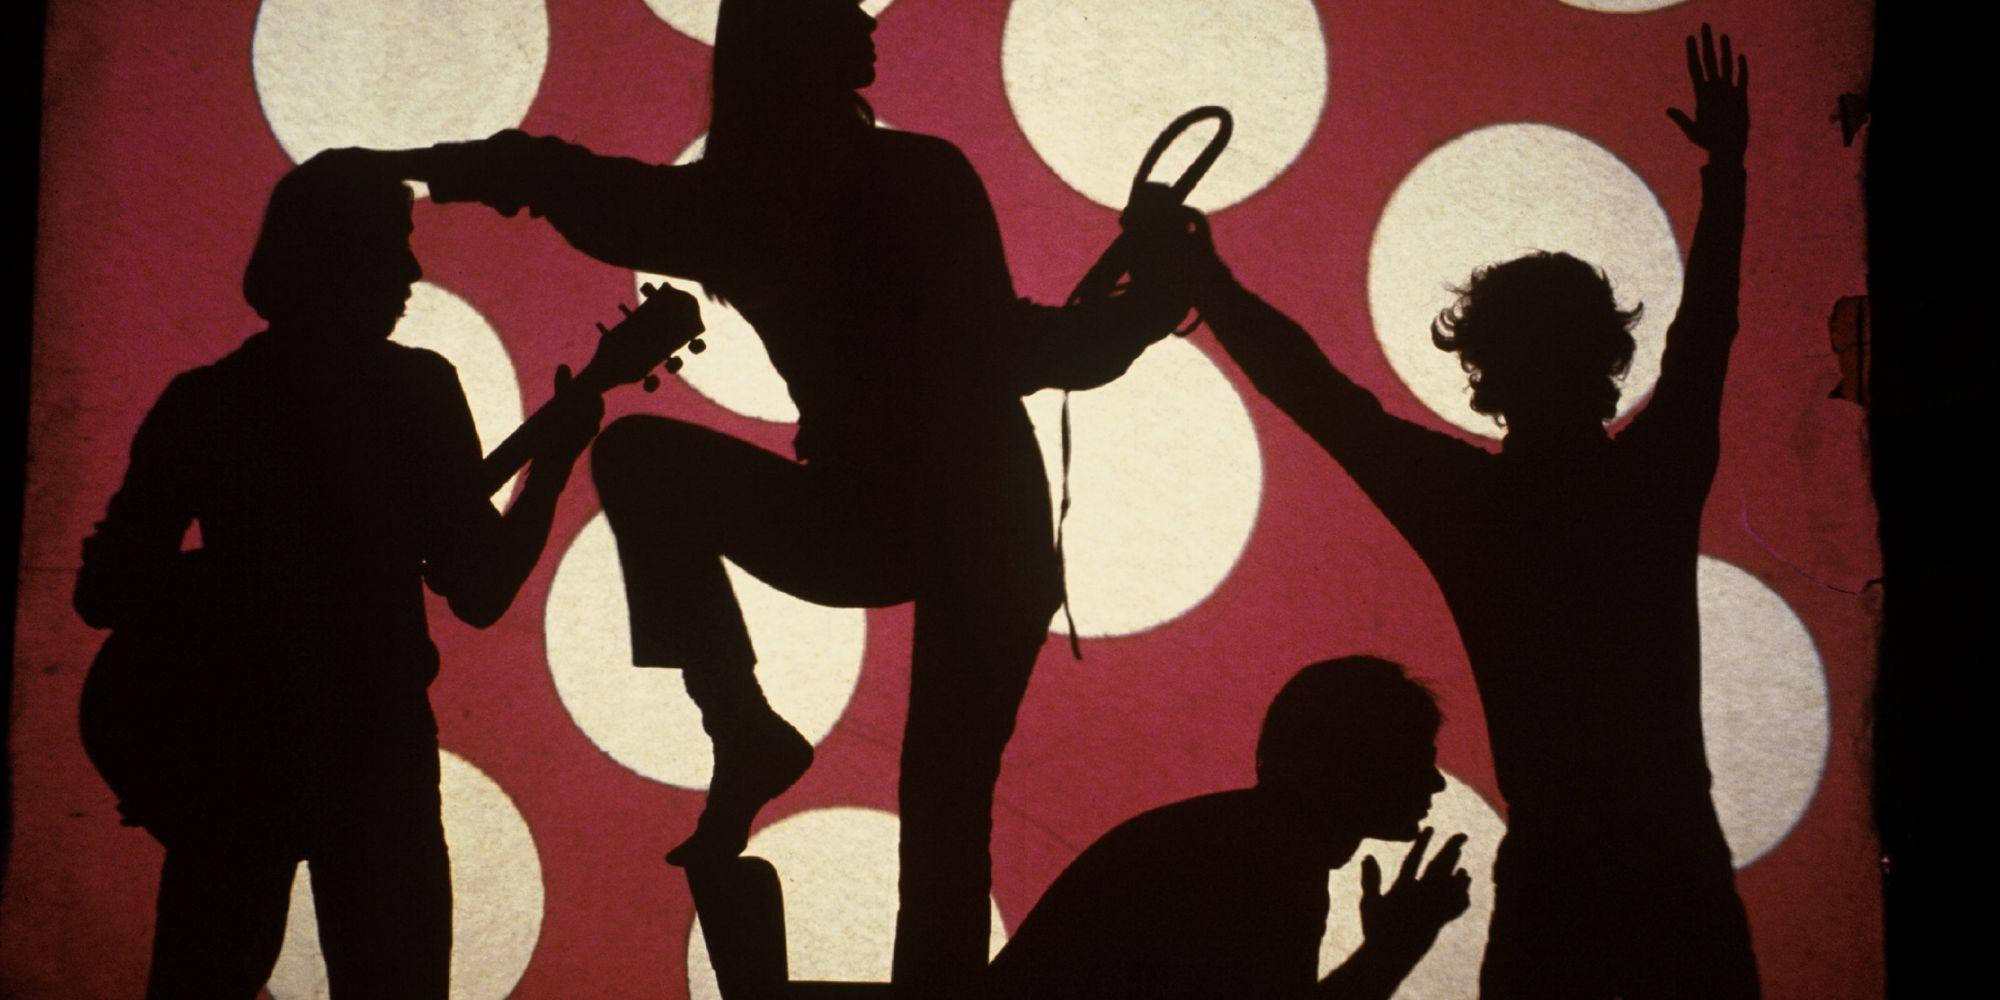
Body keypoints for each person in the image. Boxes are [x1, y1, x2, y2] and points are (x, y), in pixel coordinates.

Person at [385, 0, 1192, 993]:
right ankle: (743, 728)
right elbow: (1014, 351)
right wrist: (1144, 310)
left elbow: (572, 184)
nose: (863, 16)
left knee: (941, 799)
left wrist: (410, 167)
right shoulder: (910, 177)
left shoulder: (742, 204)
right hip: (962, 522)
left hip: (921, 524)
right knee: (946, 804)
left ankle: (742, 726)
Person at [1160, 26, 1758, 999]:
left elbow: (1313, 393)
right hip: (1673, 870)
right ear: (1605, 362)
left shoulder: (1472, 505)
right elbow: (1709, 333)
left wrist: (1206, 283)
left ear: (1483, 375)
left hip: (1559, 881)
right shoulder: (1650, 479)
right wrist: (1725, 172)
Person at [74, 151, 603, 998]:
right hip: (370, 753)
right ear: (337, 257)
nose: (411, 271)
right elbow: (480, 590)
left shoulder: (205, 399)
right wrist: (557, 460)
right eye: (393, 244)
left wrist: (229, 590)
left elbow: (105, 590)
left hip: (236, 755)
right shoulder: (417, 392)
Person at [985, 657, 1471, 1000]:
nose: (1435, 783)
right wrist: (1392, 951)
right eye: (1416, 759)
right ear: (1354, 764)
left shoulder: (1245, 841)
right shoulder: (1263, 865)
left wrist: (1391, 950)